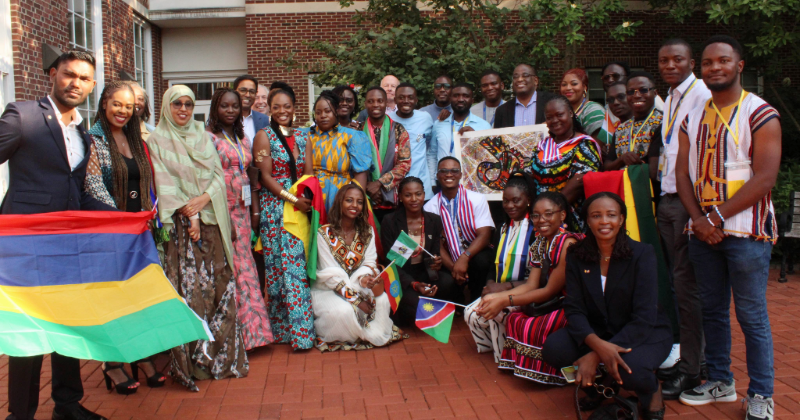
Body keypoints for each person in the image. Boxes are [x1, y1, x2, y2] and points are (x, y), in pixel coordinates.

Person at [0, 50, 114, 420]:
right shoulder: (23, 115)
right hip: (25, 247)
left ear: (92, 85)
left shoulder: (83, 131)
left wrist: (119, 219)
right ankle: (21, 414)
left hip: (67, 246)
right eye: (69, 75)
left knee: (69, 324)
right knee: (30, 335)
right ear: (53, 74)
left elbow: (77, 192)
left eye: (84, 78)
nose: (75, 83)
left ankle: (66, 404)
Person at [676, 35, 780, 420]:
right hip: (703, 233)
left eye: (722, 61)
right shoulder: (693, 116)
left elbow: (765, 177)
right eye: (707, 63)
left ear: (739, 65)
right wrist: (699, 222)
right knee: (713, 312)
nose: (714, 67)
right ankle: (721, 380)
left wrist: (714, 219)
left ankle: (762, 394)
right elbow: (682, 176)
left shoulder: (760, 112)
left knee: (752, 315)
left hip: (746, 233)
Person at [148, 85, 248, 392]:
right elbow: (163, 180)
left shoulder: (204, 138)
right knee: (190, 293)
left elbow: (218, 176)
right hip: (180, 231)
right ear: (166, 106)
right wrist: (188, 212)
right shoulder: (156, 140)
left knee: (220, 287)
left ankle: (222, 360)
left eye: (189, 104)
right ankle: (193, 364)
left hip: (211, 224)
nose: (183, 109)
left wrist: (203, 200)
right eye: (177, 103)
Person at [542, 192, 673, 420]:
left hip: (644, 331)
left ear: (621, 219)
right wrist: (596, 344)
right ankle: (597, 389)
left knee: (630, 370)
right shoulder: (576, 254)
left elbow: (644, 316)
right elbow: (574, 308)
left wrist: (595, 355)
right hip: (598, 330)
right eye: (596, 215)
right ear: (588, 221)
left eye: (611, 215)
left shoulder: (642, 253)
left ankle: (653, 391)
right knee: (555, 348)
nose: (604, 221)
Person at [83, 81, 166, 394]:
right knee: (114, 300)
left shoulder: (134, 139)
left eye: (129, 107)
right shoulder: (93, 139)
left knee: (140, 298)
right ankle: (113, 364)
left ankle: (141, 355)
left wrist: (148, 214)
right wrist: (121, 223)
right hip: (110, 232)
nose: (123, 111)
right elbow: (92, 185)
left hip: (140, 232)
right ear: (105, 102)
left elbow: (145, 182)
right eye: (117, 104)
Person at [656, 38, 712, 399]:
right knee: (678, 284)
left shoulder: (702, 94)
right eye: (664, 60)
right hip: (668, 197)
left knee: (688, 287)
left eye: (678, 59)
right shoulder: (673, 95)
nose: (670, 65)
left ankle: (695, 368)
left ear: (692, 62)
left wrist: (699, 212)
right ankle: (690, 358)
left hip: (689, 203)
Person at [206, 87, 273, 351]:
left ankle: (254, 335)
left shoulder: (242, 137)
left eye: (235, 106)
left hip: (243, 211)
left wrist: (255, 210)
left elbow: (252, 175)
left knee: (246, 270)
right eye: (225, 106)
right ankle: (230, 336)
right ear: (215, 108)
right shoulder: (208, 138)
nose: (231, 110)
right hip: (221, 211)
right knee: (229, 270)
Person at [491, 192, 583, 384]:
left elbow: (549, 290)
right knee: (514, 317)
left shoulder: (567, 244)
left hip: (573, 304)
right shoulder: (540, 242)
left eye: (548, 214)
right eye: (536, 215)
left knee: (532, 324)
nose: (541, 220)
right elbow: (532, 284)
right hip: (553, 300)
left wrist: (504, 299)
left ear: (563, 215)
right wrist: (498, 298)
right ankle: (528, 369)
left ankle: (554, 374)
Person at [253, 85, 317, 350]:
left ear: (295, 108)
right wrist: (293, 200)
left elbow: (309, 172)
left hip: (300, 209)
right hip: (275, 209)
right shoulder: (263, 136)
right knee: (278, 270)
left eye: (286, 106)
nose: (282, 111)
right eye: (276, 106)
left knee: (296, 269)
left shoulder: (304, 136)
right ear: (269, 108)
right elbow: (265, 177)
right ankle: (281, 330)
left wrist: (308, 199)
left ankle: (301, 334)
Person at [311, 183, 405, 350]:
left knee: (381, 300)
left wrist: (365, 279)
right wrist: (357, 301)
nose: (354, 205)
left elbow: (370, 263)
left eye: (359, 202)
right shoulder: (324, 234)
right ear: (340, 202)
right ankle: (352, 332)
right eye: (349, 200)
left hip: (357, 285)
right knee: (345, 312)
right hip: (328, 289)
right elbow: (331, 275)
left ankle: (366, 331)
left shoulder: (367, 231)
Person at [463, 173, 537, 363]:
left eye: (516, 200)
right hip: (500, 287)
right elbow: (494, 265)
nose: (510, 205)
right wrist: (489, 285)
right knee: (471, 314)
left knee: (493, 312)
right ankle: (494, 347)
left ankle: (505, 359)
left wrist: (502, 288)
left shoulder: (536, 230)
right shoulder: (504, 228)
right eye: (505, 201)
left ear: (528, 200)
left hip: (524, 290)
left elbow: (538, 278)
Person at [380, 177, 456, 325]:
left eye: (418, 194)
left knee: (447, 282)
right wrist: (414, 284)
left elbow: (434, 253)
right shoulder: (390, 221)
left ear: (424, 194)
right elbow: (392, 262)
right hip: (402, 275)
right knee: (414, 308)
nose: (414, 199)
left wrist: (437, 263)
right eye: (408, 195)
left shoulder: (433, 220)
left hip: (424, 273)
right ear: (400, 197)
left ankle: (430, 305)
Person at [424, 157, 495, 303]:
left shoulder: (477, 199)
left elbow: (485, 235)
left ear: (461, 175)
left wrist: (464, 258)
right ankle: (458, 300)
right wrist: (453, 268)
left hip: (473, 253)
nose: (449, 175)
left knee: (482, 262)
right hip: (448, 257)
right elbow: (436, 242)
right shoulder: (430, 207)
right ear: (437, 176)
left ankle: (477, 301)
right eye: (444, 171)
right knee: (441, 276)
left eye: (454, 171)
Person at [527, 96, 602, 231]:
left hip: (571, 219)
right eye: (549, 117)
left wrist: (552, 211)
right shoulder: (542, 146)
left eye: (559, 115)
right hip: (541, 220)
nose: (555, 120)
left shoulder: (584, 144)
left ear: (570, 113)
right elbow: (530, 175)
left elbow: (580, 180)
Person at [309, 90, 372, 212]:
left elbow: (360, 178)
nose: (323, 115)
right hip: (312, 197)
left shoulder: (353, 136)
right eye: (318, 112)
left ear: (336, 112)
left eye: (328, 111)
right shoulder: (306, 135)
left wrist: (355, 203)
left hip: (341, 198)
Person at [604, 71, 663, 184]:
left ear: (655, 93)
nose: (637, 95)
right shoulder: (622, 128)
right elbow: (606, 166)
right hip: (623, 190)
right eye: (631, 92)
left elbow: (654, 171)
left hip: (651, 192)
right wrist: (622, 159)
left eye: (643, 90)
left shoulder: (662, 123)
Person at [362, 86, 411, 221]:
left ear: (386, 103)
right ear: (365, 104)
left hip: (393, 200)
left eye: (380, 101)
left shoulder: (398, 129)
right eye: (371, 101)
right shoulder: (358, 131)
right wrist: (367, 187)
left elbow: (405, 164)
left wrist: (378, 184)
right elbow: (352, 165)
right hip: (364, 199)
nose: (376, 105)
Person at [428, 83, 492, 186]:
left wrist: (475, 139)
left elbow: (488, 158)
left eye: (465, 96)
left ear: (472, 100)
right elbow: (432, 154)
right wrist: (432, 182)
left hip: (472, 182)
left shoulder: (484, 126)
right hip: (443, 182)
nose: (460, 99)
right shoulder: (438, 124)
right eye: (456, 95)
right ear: (450, 99)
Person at [389, 83, 435, 199]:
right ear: (395, 100)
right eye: (401, 97)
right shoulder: (387, 119)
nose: (406, 101)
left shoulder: (425, 118)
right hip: (394, 187)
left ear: (416, 100)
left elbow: (430, 145)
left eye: (410, 97)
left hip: (422, 187)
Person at [493, 64, 557, 128]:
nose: (520, 79)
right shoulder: (502, 111)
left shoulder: (552, 102)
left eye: (525, 75)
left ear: (535, 80)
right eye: (516, 77)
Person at [560, 68, 605, 138]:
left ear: (584, 87)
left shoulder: (594, 110)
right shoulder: (561, 111)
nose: (568, 88)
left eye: (574, 84)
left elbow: (597, 145)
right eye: (564, 84)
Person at [234, 74, 270, 146]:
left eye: (252, 91)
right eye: (243, 90)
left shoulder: (265, 120)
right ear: (234, 92)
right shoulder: (226, 118)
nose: (247, 95)